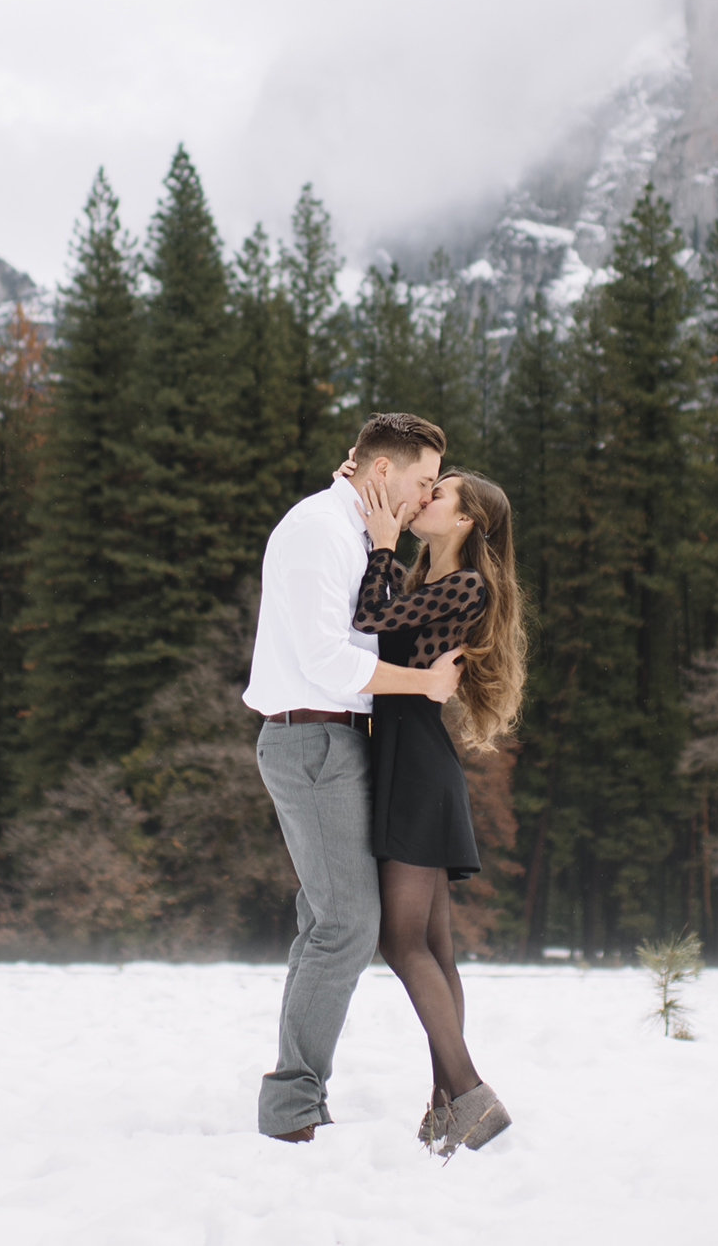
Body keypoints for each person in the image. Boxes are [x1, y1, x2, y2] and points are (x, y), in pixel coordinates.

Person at [244, 412, 462, 1144]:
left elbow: (374, 626)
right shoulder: (316, 531)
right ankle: (293, 1105)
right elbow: (327, 662)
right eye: (422, 479)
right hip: (310, 740)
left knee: (329, 920)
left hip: (344, 742)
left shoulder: (361, 538)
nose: (425, 493)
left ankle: (298, 1096)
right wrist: (422, 685)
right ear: (380, 472)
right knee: (347, 923)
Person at [349, 465, 527, 1156]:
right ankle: (445, 1104)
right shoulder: (433, 582)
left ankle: (471, 1094)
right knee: (437, 950)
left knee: (401, 942)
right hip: (415, 760)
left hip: (416, 766)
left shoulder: (466, 584)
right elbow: (387, 616)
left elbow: (370, 618)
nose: (428, 496)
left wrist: (380, 543)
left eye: (441, 491)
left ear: (466, 520)